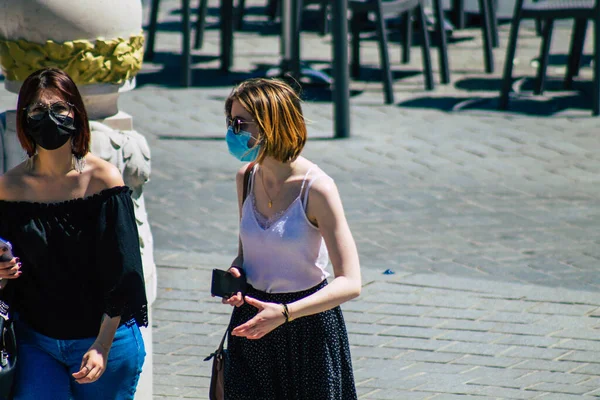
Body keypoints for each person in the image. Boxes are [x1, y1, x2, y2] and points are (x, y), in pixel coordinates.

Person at [0, 67, 147, 399]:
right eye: (38, 110)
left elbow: (125, 274)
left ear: (76, 115)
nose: (49, 118)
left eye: (59, 108)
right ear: (24, 118)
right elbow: (7, 277)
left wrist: (101, 345)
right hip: (36, 341)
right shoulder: (8, 188)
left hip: (104, 338)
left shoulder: (103, 180)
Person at [221, 78, 361, 399]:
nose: (232, 132)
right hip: (252, 324)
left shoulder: (317, 188)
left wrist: (285, 312)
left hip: (307, 328)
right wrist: (236, 274)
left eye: (240, 123)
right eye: (230, 122)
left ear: (271, 124)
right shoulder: (246, 178)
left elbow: (351, 282)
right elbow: (245, 254)